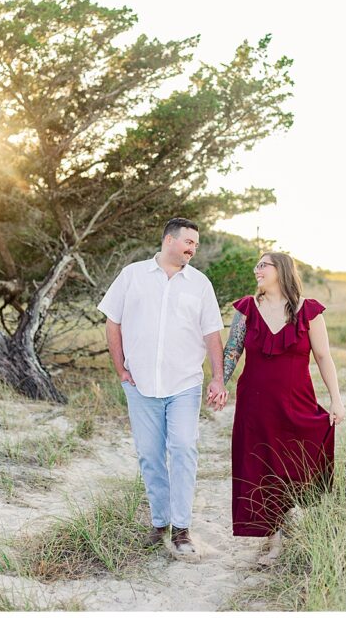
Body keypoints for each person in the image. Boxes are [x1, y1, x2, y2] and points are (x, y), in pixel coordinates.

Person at [98, 217, 227, 557]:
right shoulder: (132, 275)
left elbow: (212, 334)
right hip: (140, 385)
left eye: (196, 245)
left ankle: (182, 529)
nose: (193, 248)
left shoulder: (199, 284)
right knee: (150, 456)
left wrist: (218, 377)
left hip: (184, 383)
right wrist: (120, 369)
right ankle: (160, 524)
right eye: (188, 242)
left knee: (183, 449)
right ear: (169, 240)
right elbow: (113, 321)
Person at [218, 251, 344, 564]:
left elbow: (324, 357)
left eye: (263, 265)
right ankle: (273, 539)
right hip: (255, 403)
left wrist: (336, 399)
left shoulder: (309, 310)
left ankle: (289, 514)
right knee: (260, 465)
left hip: (296, 402)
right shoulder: (247, 308)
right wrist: (219, 382)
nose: (256, 269)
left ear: (281, 270)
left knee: (295, 460)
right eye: (256, 264)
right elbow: (232, 351)